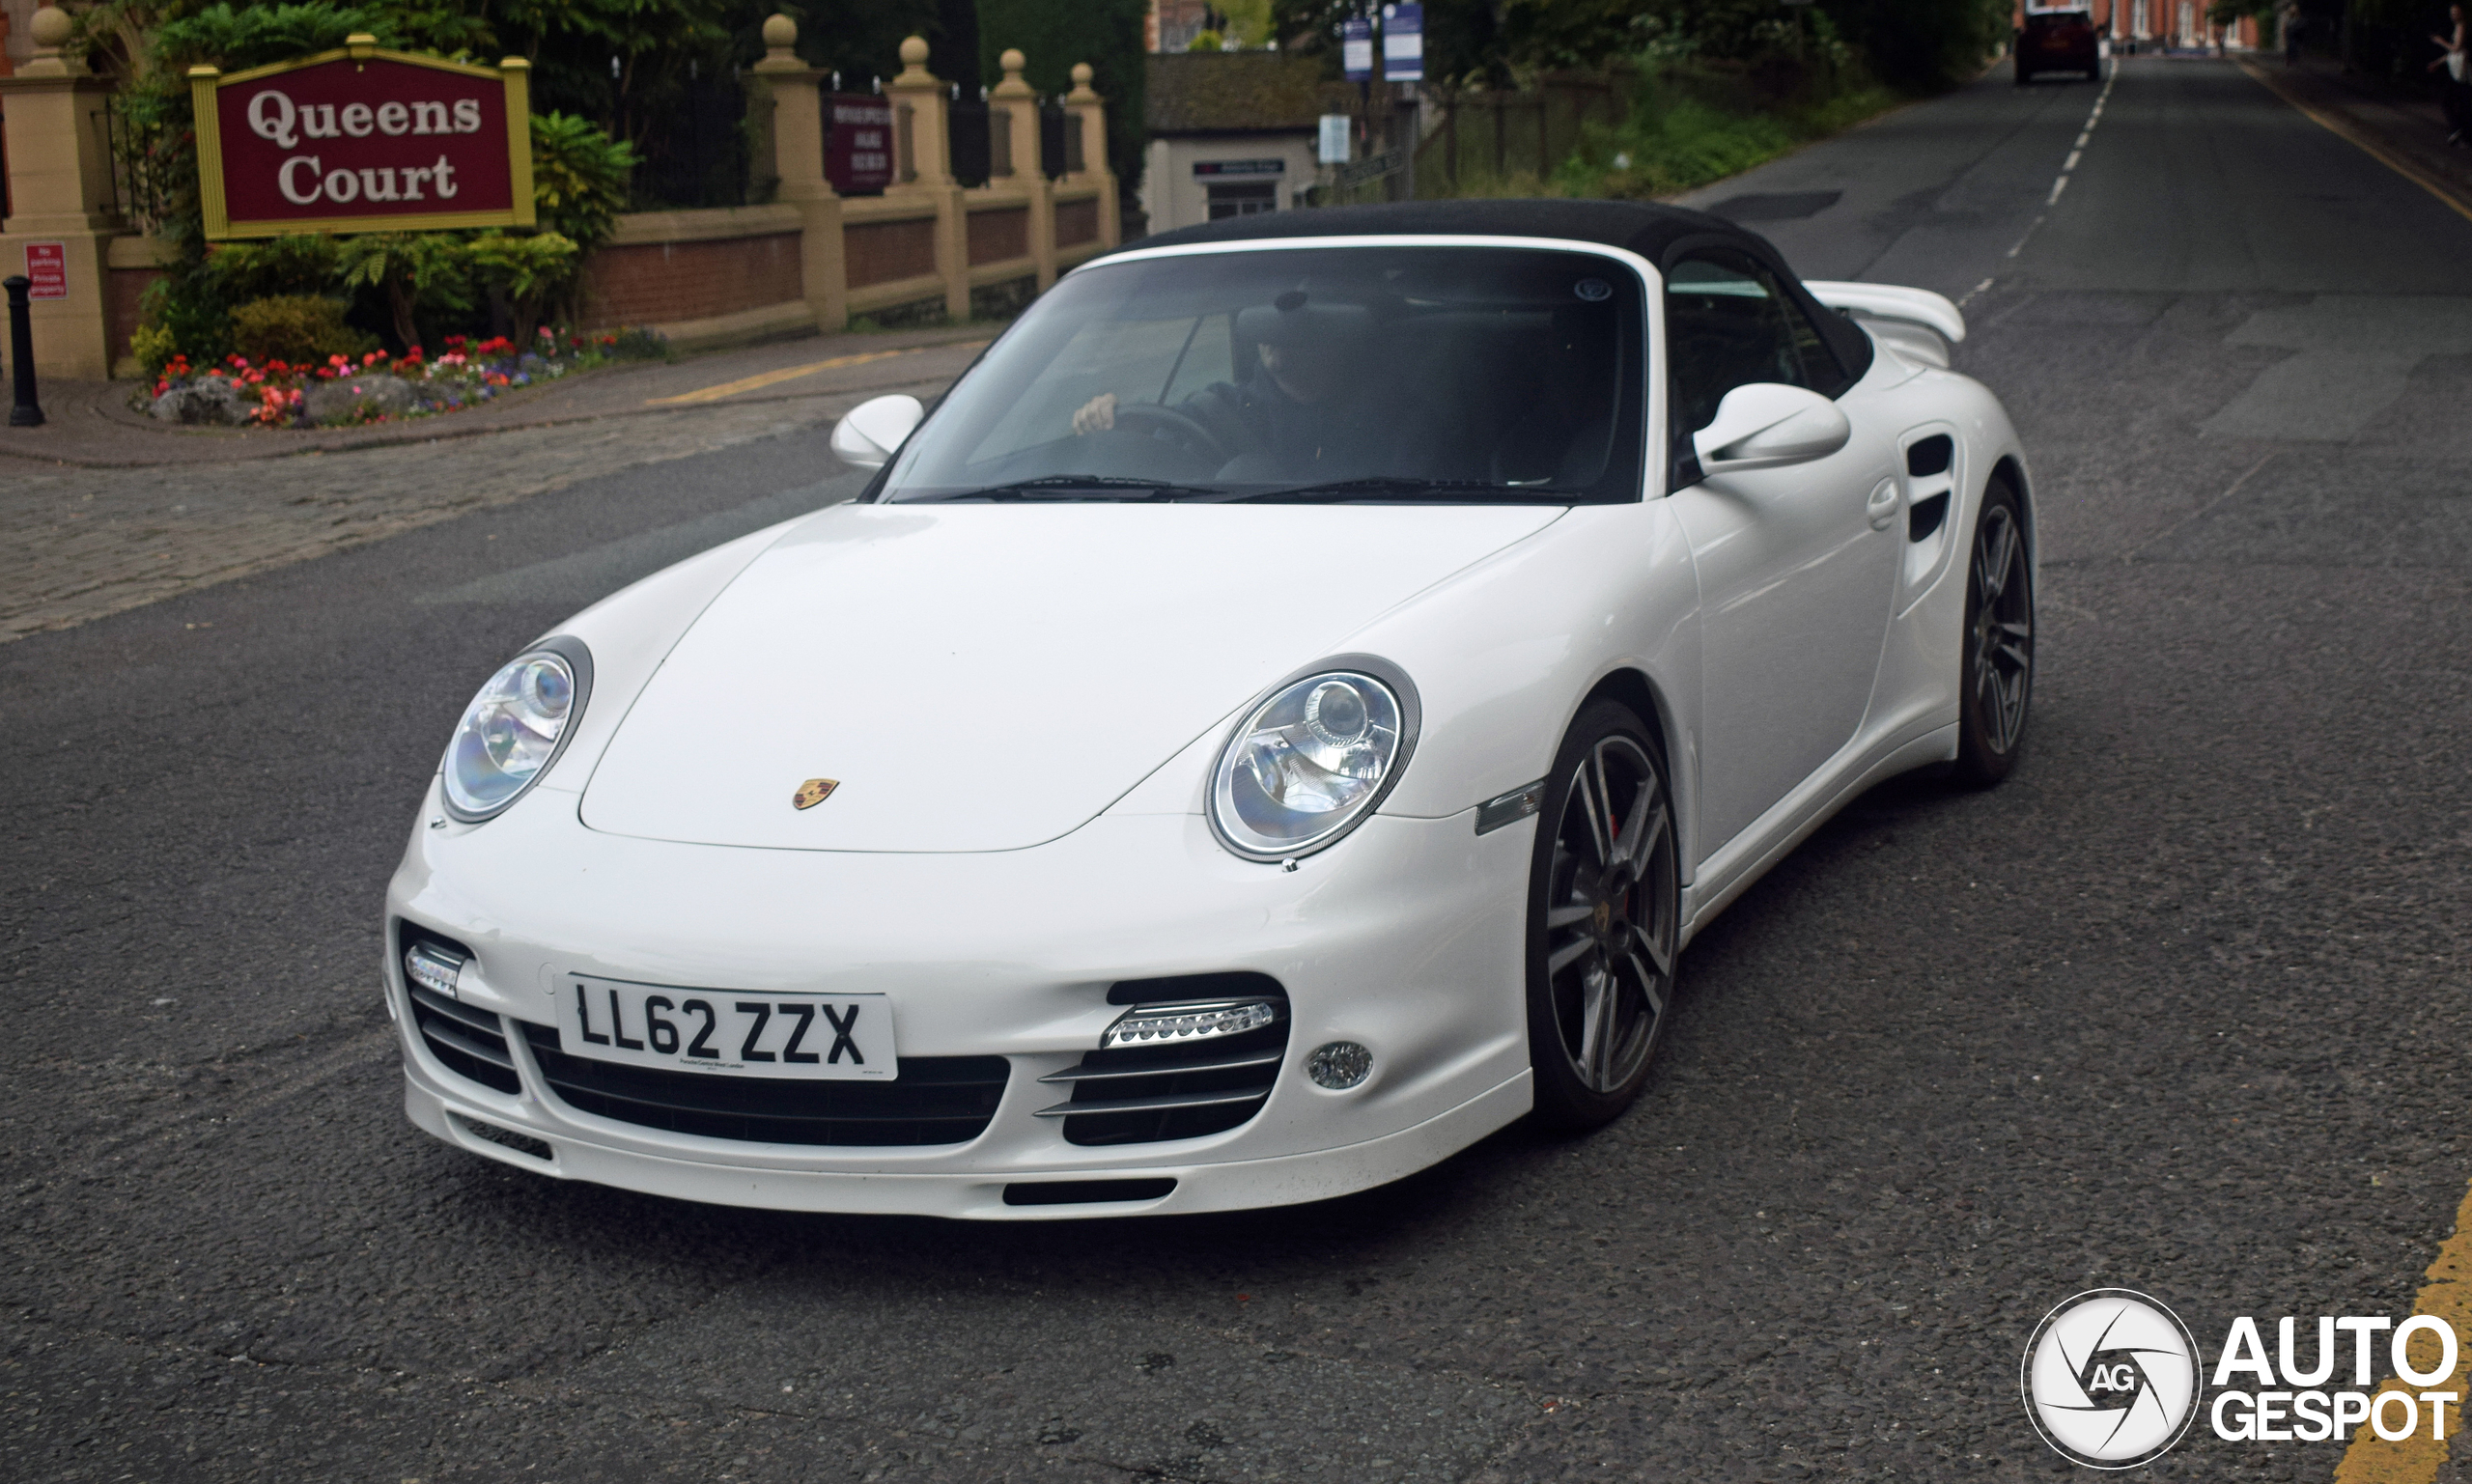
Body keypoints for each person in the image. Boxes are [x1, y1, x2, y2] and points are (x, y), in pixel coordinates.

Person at [1070, 290, 1382, 483]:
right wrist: (1116, 425)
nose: (1279, 325)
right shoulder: (1218, 407)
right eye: (1268, 313)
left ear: (1339, 332)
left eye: (1298, 317)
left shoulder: (1386, 413)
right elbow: (1156, 455)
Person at [2432, 2, 2469, 146]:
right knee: (2461, 103)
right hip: (2456, 70)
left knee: (2447, 101)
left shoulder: (2461, 27)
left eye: (2456, 13)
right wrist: (2437, 62)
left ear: (2461, 13)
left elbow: (2456, 48)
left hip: (2459, 72)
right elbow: (2452, 54)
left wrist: (2441, 41)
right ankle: (2459, 132)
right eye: (2451, 13)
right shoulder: (2458, 27)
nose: (2453, 16)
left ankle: (2457, 130)